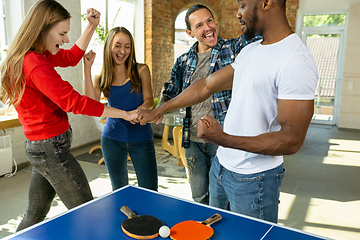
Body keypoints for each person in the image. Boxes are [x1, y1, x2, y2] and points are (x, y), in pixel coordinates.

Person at [139, 0, 318, 223]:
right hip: (222, 167)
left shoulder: (295, 59)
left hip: (255, 178)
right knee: (215, 232)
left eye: (242, 5)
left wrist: (222, 138)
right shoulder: (251, 51)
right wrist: (160, 109)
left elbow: (292, 140)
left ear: (266, 2)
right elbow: (206, 85)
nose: (238, 14)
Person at [0, 0, 137, 231]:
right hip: (51, 151)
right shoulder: (34, 64)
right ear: (42, 29)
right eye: (62, 33)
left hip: (41, 148)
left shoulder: (35, 54)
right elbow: (73, 101)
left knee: (34, 216)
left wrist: (91, 26)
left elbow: (71, 57)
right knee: (88, 212)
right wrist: (123, 113)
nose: (65, 40)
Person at [159, 4, 261, 205]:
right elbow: (171, 90)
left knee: (223, 199)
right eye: (199, 25)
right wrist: (158, 109)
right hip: (193, 141)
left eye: (210, 20)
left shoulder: (233, 48)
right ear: (190, 32)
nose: (207, 27)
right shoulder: (183, 61)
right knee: (199, 197)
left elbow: (259, 37)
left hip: (222, 140)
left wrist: (247, 15)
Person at [83, 27, 158, 191]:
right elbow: (90, 104)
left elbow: (149, 100)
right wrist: (87, 68)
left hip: (141, 138)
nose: (122, 51)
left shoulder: (141, 70)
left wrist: (139, 111)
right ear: (109, 46)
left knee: (150, 189)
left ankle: (149, 218)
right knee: (118, 189)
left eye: (127, 46)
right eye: (118, 45)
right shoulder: (102, 78)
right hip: (112, 139)